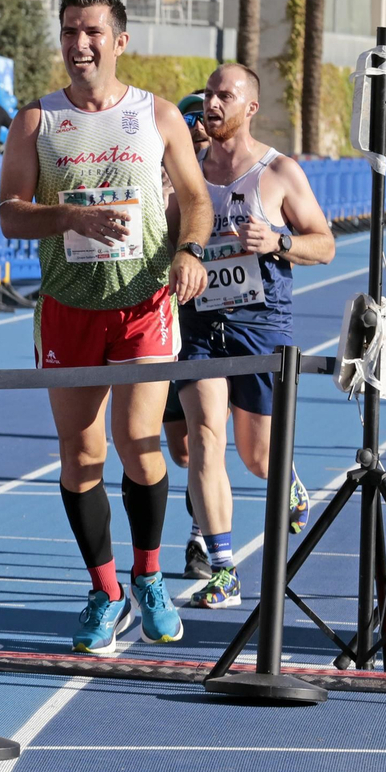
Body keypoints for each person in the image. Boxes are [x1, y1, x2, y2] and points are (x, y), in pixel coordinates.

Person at [0, 0, 213, 654]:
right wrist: (72, 217)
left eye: (91, 31)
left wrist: (190, 251)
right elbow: (10, 214)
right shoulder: (36, 120)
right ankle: (106, 590)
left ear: (119, 41)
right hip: (68, 309)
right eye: (69, 31)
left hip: (143, 302)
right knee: (81, 455)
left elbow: (197, 198)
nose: (79, 44)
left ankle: (150, 577)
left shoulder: (158, 115)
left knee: (139, 440)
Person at [177, 65, 331, 607]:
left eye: (225, 95)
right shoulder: (186, 174)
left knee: (257, 457)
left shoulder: (279, 172)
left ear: (251, 107)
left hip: (261, 325)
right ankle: (224, 570)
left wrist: (279, 241)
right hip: (200, 325)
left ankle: (285, 478)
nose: (213, 103)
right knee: (204, 439)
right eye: (209, 94)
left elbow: (325, 245)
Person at [161, 91, 210, 578]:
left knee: (204, 443)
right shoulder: (156, 176)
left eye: (203, 120)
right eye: (188, 118)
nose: (197, 127)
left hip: (209, 328)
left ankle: (199, 540)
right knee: (181, 451)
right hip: (162, 323)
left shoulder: (223, 178)